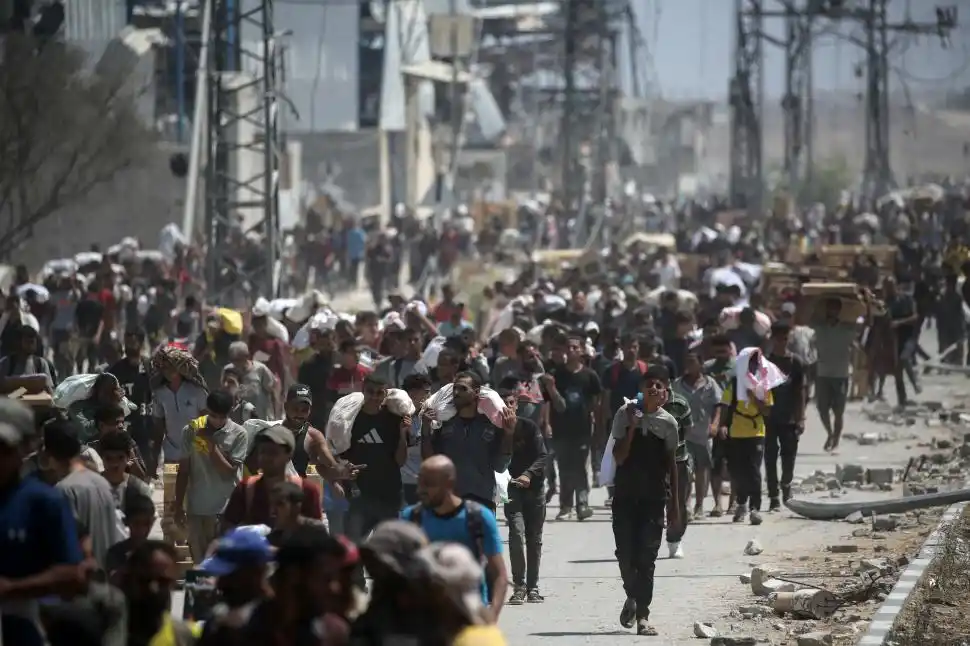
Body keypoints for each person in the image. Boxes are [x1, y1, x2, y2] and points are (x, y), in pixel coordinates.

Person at [0, 399, 87, 646]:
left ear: (27, 447)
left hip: (23, 626)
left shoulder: (44, 502)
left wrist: (12, 589)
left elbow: (72, 575)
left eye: (3, 449)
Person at [610, 364, 680, 636]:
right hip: (625, 496)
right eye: (649, 384)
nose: (653, 388)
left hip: (653, 499)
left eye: (659, 385)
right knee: (625, 555)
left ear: (665, 394)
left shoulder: (668, 423)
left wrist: (675, 506)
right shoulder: (624, 414)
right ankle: (633, 595)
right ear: (640, 389)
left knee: (647, 558)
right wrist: (632, 427)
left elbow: (672, 465)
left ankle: (643, 616)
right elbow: (619, 457)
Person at [402, 455, 509, 622]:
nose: (420, 490)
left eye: (429, 483)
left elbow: (499, 575)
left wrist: (491, 616)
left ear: (449, 484)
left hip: (469, 617)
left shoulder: (479, 518)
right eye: (420, 482)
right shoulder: (411, 517)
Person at [421, 371, 515, 512]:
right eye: (455, 389)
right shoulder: (444, 424)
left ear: (476, 392)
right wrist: (425, 428)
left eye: (463, 389)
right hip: (449, 499)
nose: (456, 393)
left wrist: (508, 434)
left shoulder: (490, 425)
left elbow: (500, 466)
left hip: (482, 499)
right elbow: (429, 459)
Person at [173, 390, 249, 563]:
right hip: (197, 509)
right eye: (214, 416)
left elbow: (229, 472)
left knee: (223, 563)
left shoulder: (239, 434)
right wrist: (178, 506)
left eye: (223, 417)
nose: (218, 421)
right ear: (207, 410)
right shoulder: (191, 431)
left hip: (225, 510)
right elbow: (183, 471)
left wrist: (211, 445)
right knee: (200, 563)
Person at [336, 374, 409, 544]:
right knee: (353, 548)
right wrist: (344, 471)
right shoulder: (350, 418)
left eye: (379, 393)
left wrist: (402, 434)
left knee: (388, 551)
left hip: (389, 496)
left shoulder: (394, 420)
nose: (375, 397)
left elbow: (400, 461)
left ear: (386, 394)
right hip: (359, 495)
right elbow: (339, 454)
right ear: (363, 390)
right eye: (370, 392)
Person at [44, 416, 124, 569]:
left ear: (48, 453)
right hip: (107, 576)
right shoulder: (101, 482)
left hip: (83, 579)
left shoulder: (64, 490)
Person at [496, 376, 548, 605]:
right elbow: (499, 460)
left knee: (534, 539)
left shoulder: (529, 427)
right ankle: (519, 586)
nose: (507, 407)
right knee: (516, 534)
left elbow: (543, 456)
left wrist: (528, 474)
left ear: (516, 405)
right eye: (503, 404)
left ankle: (533, 587)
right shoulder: (495, 431)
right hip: (511, 490)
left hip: (534, 489)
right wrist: (507, 433)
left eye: (510, 403)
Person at [222, 425, 323, 529]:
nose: (266, 457)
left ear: (289, 456)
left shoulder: (307, 490)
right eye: (263, 451)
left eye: (273, 452)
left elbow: (317, 533)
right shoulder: (245, 489)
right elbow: (227, 530)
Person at [547, 335, 601, 521]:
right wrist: (547, 424)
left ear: (582, 351)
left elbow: (596, 403)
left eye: (575, 347)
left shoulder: (590, 376)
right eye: (568, 347)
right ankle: (566, 506)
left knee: (580, 467)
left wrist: (597, 428)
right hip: (561, 428)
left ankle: (582, 504)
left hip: (582, 429)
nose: (571, 350)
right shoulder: (557, 375)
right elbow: (548, 402)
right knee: (564, 468)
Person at [718, 348, 774, 525]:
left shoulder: (763, 384)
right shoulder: (735, 383)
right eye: (749, 362)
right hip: (736, 432)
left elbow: (767, 410)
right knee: (737, 471)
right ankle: (741, 503)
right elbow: (725, 405)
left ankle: (755, 508)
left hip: (756, 432)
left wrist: (754, 396)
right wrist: (722, 425)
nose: (753, 366)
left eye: (755, 362)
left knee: (754, 471)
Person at [672, 351, 722, 521]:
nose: (689, 365)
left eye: (692, 361)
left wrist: (715, 424)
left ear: (701, 364)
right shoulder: (678, 384)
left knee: (702, 470)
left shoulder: (710, 384)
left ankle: (699, 505)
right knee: (686, 470)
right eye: (687, 361)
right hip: (684, 434)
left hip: (703, 434)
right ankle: (686, 505)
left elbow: (718, 405)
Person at [122, 540, 200, 646]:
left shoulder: (184, 637)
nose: (153, 589)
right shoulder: (107, 633)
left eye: (163, 582)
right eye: (145, 580)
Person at [765, 321, 806, 510]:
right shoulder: (765, 362)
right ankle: (773, 495)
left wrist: (801, 418)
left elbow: (801, 391)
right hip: (769, 418)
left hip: (789, 418)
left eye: (785, 339)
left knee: (789, 456)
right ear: (772, 339)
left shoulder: (796, 362)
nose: (782, 342)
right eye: (778, 339)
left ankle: (786, 486)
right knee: (770, 457)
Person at [151, 345, 208, 471]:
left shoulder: (197, 391)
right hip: (171, 454)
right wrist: (154, 458)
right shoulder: (159, 394)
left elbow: (207, 422)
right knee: (171, 484)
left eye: (168, 367)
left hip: (195, 454)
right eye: (163, 368)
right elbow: (159, 429)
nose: (165, 371)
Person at [811, 298, 856, 452]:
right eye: (830, 309)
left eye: (835, 309)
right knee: (822, 408)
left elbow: (866, 325)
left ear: (839, 311)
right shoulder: (819, 328)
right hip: (823, 373)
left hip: (840, 374)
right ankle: (830, 433)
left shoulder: (846, 329)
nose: (832, 312)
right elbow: (807, 318)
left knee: (838, 411)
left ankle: (836, 438)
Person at [104, 492, 156, 582]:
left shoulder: (155, 553)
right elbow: (112, 581)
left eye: (146, 523)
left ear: (153, 521)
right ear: (126, 522)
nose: (142, 530)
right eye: (136, 523)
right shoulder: (116, 553)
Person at [400, 372, 433, 506]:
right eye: (426, 392)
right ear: (412, 393)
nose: (429, 396)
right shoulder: (397, 417)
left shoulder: (433, 418)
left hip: (427, 481)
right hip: (403, 481)